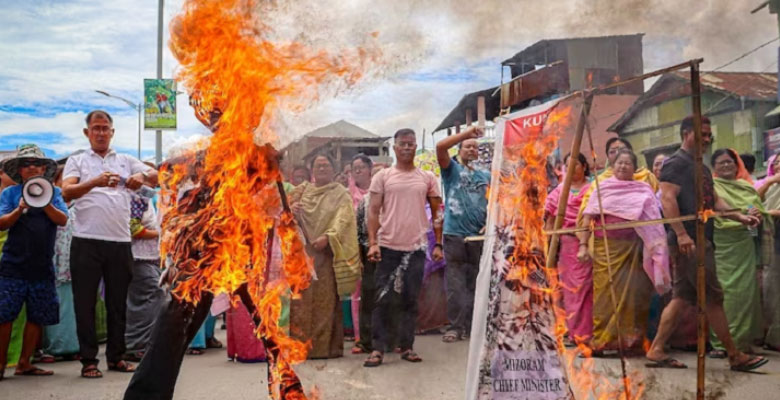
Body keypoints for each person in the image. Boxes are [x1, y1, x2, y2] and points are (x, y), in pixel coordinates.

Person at [645, 115, 768, 371]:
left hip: (700, 238)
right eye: (702, 134)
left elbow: (712, 202)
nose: (707, 139)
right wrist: (681, 234)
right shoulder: (675, 164)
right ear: (686, 133)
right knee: (713, 297)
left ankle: (656, 349)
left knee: (681, 297)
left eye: (709, 135)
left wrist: (738, 215)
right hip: (691, 241)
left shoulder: (700, 167)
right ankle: (735, 355)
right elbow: (667, 200)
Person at [62, 110, 158, 378]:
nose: (101, 133)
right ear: (87, 132)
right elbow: (66, 191)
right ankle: (89, 361)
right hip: (86, 242)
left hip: (119, 242)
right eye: (96, 128)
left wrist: (144, 177)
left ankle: (116, 357)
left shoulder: (126, 160)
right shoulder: (77, 160)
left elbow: (157, 177)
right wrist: (95, 181)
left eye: (106, 128)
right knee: (85, 303)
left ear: (112, 132)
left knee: (118, 303)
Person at [577, 150, 670, 354]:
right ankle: (603, 340)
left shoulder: (643, 189)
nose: (623, 166)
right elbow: (587, 218)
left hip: (634, 249)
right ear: (612, 165)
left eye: (628, 163)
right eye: (619, 162)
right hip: (606, 250)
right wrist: (583, 245)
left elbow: (653, 221)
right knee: (605, 294)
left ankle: (631, 341)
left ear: (634, 168)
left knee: (633, 295)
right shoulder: (602, 188)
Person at [363, 128, 443, 367]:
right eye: (403, 144)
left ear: (416, 147)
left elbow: (438, 214)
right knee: (382, 298)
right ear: (395, 148)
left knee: (410, 299)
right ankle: (377, 349)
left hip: (417, 247)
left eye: (411, 144)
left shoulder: (427, 178)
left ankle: (407, 347)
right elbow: (373, 211)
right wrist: (373, 243)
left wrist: (438, 243)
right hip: (387, 246)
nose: (407, 148)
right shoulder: (383, 177)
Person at [0, 144, 68, 380]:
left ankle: (24, 363)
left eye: (35, 164)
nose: (31, 168)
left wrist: (45, 201)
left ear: (43, 168)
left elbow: (62, 220)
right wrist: (20, 209)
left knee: (37, 316)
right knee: (4, 316)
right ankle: (0, 366)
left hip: (42, 266)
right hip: (13, 265)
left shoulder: (55, 193)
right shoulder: (9, 194)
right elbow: (2, 223)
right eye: (26, 164)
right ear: (19, 169)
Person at [288, 153, 361, 359]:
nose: (322, 169)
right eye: (318, 166)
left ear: (333, 169)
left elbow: (344, 220)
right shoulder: (301, 191)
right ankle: (299, 348)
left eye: (326, 166)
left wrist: (328, 237)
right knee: (301, 301)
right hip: (303, 254)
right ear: (312, 171)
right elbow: (283, 214)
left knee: (325, 301)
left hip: (327, 254)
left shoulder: (340, 194)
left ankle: (325, 349)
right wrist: (292, 211)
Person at [707, 148, 769, 357]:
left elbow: (760, 212)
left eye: (730, 163)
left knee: (745, 294)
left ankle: (741, 342)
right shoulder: (711, 188)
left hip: (744, 245)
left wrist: (756, 215)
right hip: (721, 246)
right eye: (721, 163)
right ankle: (720, 344)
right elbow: (710, 212)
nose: (726, 166)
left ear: (737, 166)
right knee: (723, 293)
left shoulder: (746, 188)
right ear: (713, 168)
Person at [435, 126, 490, 343]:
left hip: (479, 237)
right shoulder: (451, 170)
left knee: (476, 283)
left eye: (475, 147)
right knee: (456, 285)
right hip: (454, 235)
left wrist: (490, 223)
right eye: (467, 146)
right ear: (459, 150)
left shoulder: (485, 175)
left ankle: (473, 327)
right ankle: (455, 327)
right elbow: (440, 147)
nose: (471, 149)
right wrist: (467, 133)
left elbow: (496, 201)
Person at [544, 152, 593, 346]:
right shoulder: (558, 192)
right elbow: (549, 220)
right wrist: (547, 246)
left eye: (577, 165)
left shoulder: (593, 188)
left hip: (589, 243)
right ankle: (575, 333)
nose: (573, 170)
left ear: (584, 166)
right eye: (568, 166)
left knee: (588, 289)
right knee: (571, 290)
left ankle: (587, 333)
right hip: (567, 245)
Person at [43, 165, 80, 360]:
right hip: (53, 262)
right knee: (54, 303)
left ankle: (72, 347)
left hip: (74, 262)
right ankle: (53, 348)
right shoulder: (47, 203)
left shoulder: (80, 204)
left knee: (72, 305)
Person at [124, 192, 166, 361]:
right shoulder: (136, 199)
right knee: (149, 296)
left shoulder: (146, 198)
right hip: (138, 258)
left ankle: (142, 343)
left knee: (154, 296)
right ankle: (136, 345)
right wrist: (161, 233)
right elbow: (134, 230)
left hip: (150, 257)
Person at [349, 154, 374, 354]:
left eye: (361, 167)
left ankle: (382, 336)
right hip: (354, 247)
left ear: (369, 169)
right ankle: (360, 337)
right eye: (354, 168)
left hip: (377, 245)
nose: (358, 171)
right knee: (358, 293)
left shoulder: (379, 189)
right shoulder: (347, 193)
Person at [758, 153, 780, 352]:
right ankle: (774, 338)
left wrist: (765, 213)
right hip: (773, 243)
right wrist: (771, 180)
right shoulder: (771, 186)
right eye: (778, 162)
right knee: (772, 290)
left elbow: (761, 210)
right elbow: (754, 200)